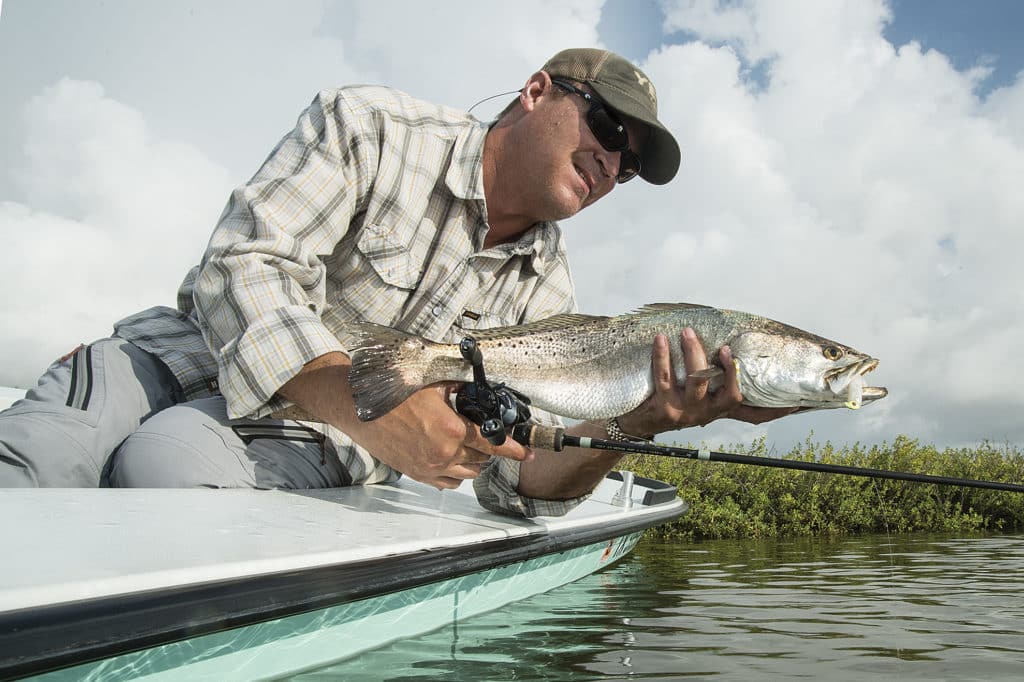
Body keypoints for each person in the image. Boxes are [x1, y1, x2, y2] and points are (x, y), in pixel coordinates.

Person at [0, 48, 793, 515]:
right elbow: (241, 263)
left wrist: (638, 424)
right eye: (609, 129)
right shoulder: (368, 125)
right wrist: (368, 409)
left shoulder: (550, 299)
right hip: (171, 356)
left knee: (163, 467)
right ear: (537, 90)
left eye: (630, 162)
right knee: (32, 454)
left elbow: (516, 485)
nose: (613, 162)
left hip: (308, 443)